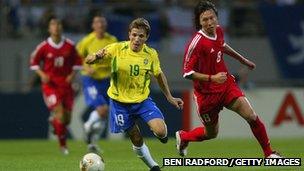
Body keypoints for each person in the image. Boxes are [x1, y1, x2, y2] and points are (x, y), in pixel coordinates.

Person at [176, 0, 281, 158]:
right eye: (205, 19)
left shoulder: (218, 30)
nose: (210, 22)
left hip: (226, 86)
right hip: (206, 95)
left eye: (212, 18)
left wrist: (242, 60)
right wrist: (212, 78)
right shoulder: (196, 43)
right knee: (211, 134)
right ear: (198, 22)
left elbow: (222, 45)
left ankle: (269, 154)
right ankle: (184, 137)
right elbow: (187, 73)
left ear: (217, 18)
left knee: (251, 116)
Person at [86, 18, 184, 171]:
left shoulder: (151, 54)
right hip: (120, 104)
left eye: (141, 36)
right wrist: (93, 58)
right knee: (136, 138)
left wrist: (169, 97)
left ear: (147, 38)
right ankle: (153, 166)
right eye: (134, 35)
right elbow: (95, 56)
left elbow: (158, 75)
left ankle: (162, 136)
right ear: (129, 34)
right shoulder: (116, 48)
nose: (137, 39)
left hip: (142, 101)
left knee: (161, 131)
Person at [30, 16, 82, 155]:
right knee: (59, 112)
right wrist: (42, 75)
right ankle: (63, 147)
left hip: (66, 86)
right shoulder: (44, 47)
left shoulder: (70, 45)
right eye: (53, 25)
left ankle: (54, 121)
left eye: (58, 24)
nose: (56, 27)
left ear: (61, 27)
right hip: (51, 86)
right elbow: (34, 63)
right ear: (49, 29)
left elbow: (78, 62)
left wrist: (72, 75)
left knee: (67, 119)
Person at [76, 14, 117, 153]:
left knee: (104, 113)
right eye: (97, 23)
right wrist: (86, 67)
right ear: (93, 26)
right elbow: (77, 57)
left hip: (106, 79)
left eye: (102, 23)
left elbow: (117, 57)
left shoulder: (112, 40)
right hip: (90, 79)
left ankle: (92, 141)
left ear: (105, 25)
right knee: (102, 110)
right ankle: (88, 126)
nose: (100, 25)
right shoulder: (87, 41)